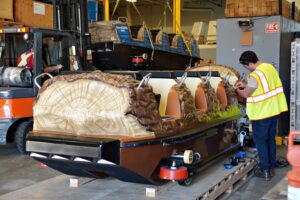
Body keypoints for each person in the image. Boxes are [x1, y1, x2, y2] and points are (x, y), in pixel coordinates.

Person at [234, 51, 288, 181]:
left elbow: (246, 94)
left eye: (246, 67)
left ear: (250, 63)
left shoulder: (255, 75)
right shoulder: (269, 67)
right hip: (273, 111)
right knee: (270, 139)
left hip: (261, 114)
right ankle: (272, 163)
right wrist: (246, 85)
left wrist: (237, 89)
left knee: (261, 142)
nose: (246, 69)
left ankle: (265, 170)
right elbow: (264, 87)